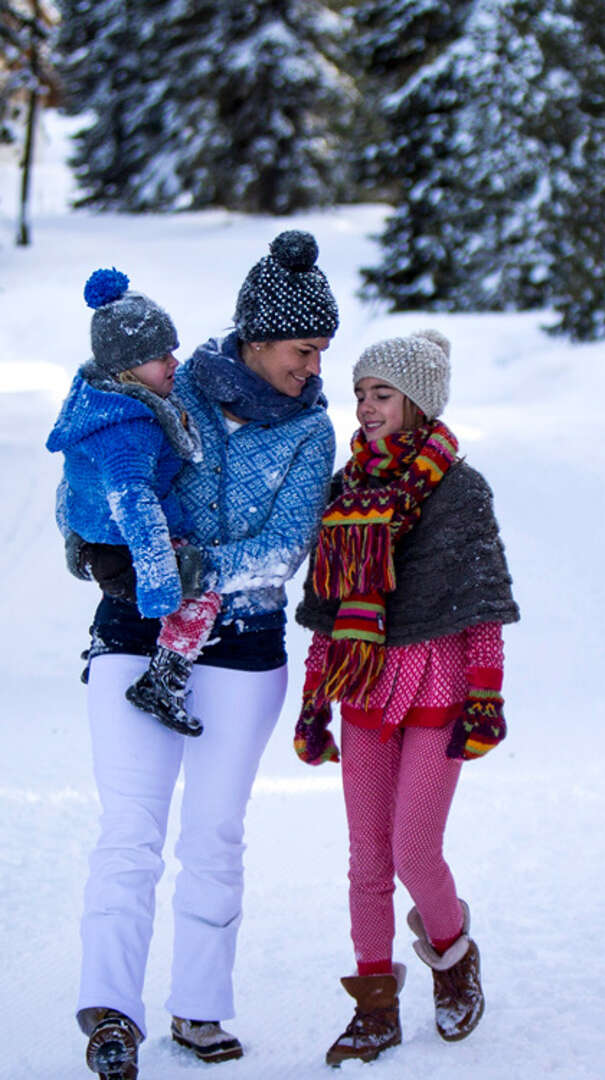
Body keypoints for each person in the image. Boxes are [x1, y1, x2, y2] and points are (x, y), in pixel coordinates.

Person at [69, 230, 339, 1080]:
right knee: (130, 830)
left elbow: (281, 549)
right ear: (257, 339)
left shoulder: (310, 430)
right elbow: (93, 480)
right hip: (132, 637)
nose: (313, 366)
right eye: (303, 349)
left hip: (243, 649)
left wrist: (183, 569)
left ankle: (199, 1008)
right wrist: (90, 545)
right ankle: (110, 1011)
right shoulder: (168, 384)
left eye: (322, 351)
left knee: (215, 833)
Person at [291, 329, 519, 1067]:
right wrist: (312, 702)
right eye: (360, 394)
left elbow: (481, 607)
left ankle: (453, 957)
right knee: (366, 857)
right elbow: (329, 608)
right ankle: (373, 1005)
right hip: (363, 689)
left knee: (414, 848)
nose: (365, 407)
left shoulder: (461, 491)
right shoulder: (345, 488)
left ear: (418, 401)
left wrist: (487, 698)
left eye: (381, 393)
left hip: (437, 690)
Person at [49, 269, 222, 739]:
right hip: (125, 545)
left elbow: (72, 480)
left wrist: (73, 532)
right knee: (201, 594)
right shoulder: (129, 430)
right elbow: (134, 502)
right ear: (127, 369)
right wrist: (164, 581)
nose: (173, 363)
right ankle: (162, 681)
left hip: (101, 540)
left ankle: (102, 644)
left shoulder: (97, 401)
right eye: (159, 357)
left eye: (172, 349)